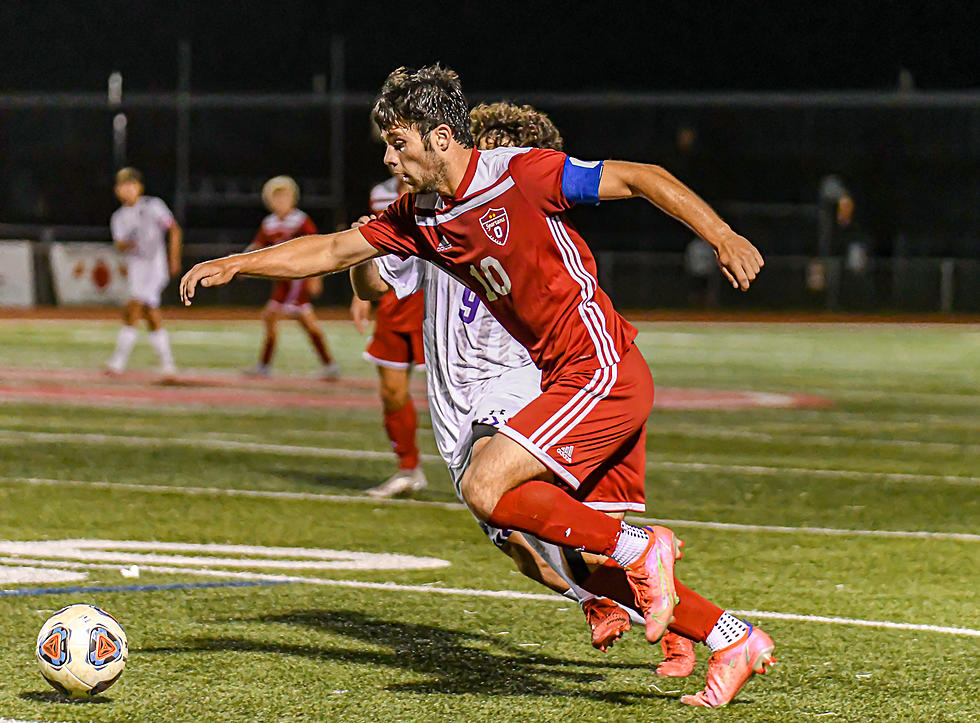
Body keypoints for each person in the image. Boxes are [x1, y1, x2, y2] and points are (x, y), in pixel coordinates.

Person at [181, 65, 771, 708]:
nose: (387, 157)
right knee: (581, 559)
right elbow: (332, 252)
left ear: (439, 137)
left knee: (487, 486)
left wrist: (721, 234)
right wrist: (239, 263)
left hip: (600, 368)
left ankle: (642, 547)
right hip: (566, 378)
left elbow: (641, 177)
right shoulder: (419, 216)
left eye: (397, 142)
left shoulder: (520, 172)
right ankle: (732, 638)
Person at [350, 100, 694, 672]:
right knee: (536, 537)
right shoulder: (428, 213)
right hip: (458, 398)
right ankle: (680, 622)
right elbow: (371, 282)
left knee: (513, 509)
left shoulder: (515, 202)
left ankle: (687, 614)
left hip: (524, 389)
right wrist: (367, 246)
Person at [350, 173, 427, 498]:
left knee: (465, 391)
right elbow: (373, 245)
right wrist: (359, 294)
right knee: (392, 391)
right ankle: (408, 470)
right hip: (394, 298)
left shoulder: (439, 186)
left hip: (434, 297)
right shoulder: (379, 193)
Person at [244, 176, 339, 379]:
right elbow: (257, 247)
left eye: (285, 197)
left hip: (298, 281)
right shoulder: (269, 223)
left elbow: (316, 247)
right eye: (276, 197)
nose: (281, 201)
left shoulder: (300, 220)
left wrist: (316, 277)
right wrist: (237, 264)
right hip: (282, 283)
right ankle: (328, 366)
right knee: (284, 320)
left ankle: (266, 366)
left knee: (295, 321)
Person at [105, 167, 181, 378]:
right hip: (136, 269)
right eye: (122, 186)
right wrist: (127, 243)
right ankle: (168, 364)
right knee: (150, 313)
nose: (127, 190)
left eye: (131, 185)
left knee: (134, 307)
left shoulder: (153, 205)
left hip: (155, 266)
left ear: (139, 187)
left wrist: (173, 257)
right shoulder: (119, 217)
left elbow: (173, 229)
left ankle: (118, 362)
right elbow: (119, 244)